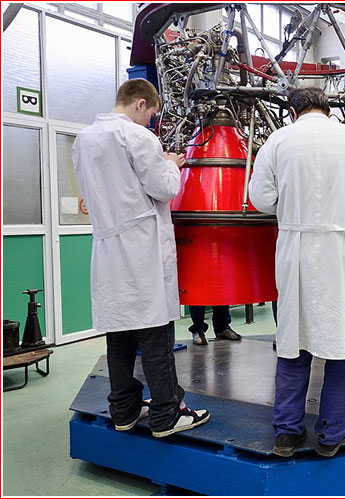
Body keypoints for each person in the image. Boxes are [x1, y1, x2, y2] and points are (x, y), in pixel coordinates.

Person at [72, 79, 210, 438]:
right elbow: (164, 188)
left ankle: (125, 410)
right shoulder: (137, 136)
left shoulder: (84, 139)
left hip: (108, 248)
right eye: (151, 114)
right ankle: (167, 414)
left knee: (119, 334)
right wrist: (172, 164)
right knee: (155, 335)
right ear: (140, 104)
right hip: (142, 250)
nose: (151, 122)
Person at [249, 87, 345, 457]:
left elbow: (261, 200)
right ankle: (332, 434)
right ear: (327, 109)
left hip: (299, 251)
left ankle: (287, 432)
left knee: (295, 339)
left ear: (294, 111)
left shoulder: (278, 140)